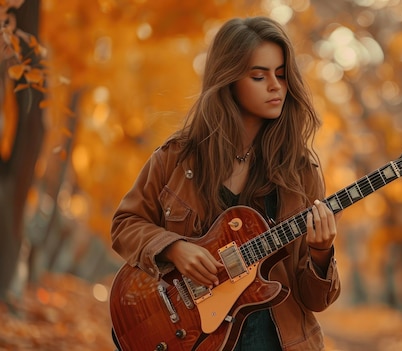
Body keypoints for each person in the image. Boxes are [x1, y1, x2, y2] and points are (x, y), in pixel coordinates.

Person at [110, 16, 341, 351]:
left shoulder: (300, 171)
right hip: (194, 339)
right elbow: (124, 225)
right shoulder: (176, 158)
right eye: (259, 76)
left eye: (281, 75)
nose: (276, 86)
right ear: (228, 80)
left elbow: (315, 300)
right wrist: (173, 248)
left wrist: (321, 254)